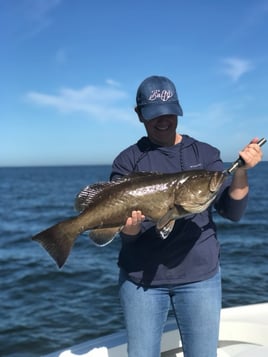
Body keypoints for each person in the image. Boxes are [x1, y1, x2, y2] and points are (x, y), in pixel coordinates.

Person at [110, 75, 263, 357]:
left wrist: (240, 171)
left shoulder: (204, 154)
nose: (163, 120)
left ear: (178, 109)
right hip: (141, 279)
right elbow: (128, 237)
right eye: (155, 115)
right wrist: (128, 230)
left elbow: (232, 210)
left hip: (200, 278)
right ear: (139, 115)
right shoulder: (127, 161)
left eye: (169, 112)